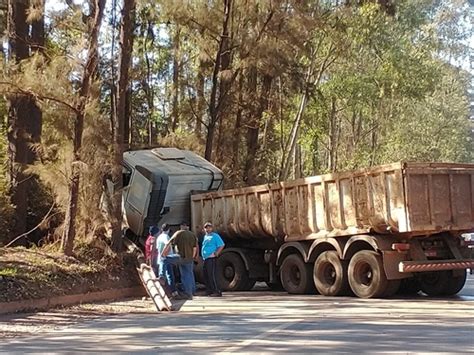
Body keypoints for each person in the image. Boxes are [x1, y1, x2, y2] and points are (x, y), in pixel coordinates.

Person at [163, 221, 198, 300]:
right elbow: (195, 248)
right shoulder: (192, 235)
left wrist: (163, 253)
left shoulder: (178, 233)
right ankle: (189, 294)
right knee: (187, 275)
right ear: (187, 227)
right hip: (189, 258)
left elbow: (168, 243)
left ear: (181, 226)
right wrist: (192, 257)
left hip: (180, 257)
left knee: (164, 260)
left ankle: (162, 276)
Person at [201, 222, 225, 297]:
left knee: (211, 275)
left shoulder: (215, 236)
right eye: (206, 228)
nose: (207, 229)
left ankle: (217, 291)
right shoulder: (205, 236)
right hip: (206, 258)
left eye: (209, 227)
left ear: (212, 228)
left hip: (211, 257)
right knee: (206, 275)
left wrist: (217, 252)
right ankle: (209, 290)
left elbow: (221, 245)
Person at [156, 223, 179, 298]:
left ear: (161, 229)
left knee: (169, 275)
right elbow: (167, 245)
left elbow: (157, 249)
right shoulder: (166, 236)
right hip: (166, 258)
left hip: (161, 258)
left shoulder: (159, 237)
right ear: (168, 230)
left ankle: (168, 293)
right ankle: (173, 292)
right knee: (169, 275)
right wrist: (165, 254)